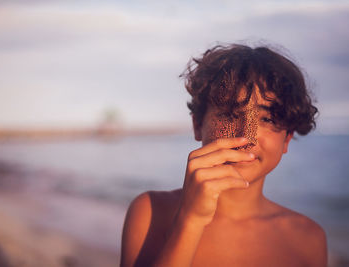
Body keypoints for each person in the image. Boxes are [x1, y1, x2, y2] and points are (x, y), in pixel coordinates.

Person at [120, 44, 327, 267]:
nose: (247, 135)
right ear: (198, 124)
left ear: (286, 139)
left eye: (266, 119)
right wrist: (191, 220)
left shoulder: (307, 239)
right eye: (231, 114)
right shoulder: (151, 214)